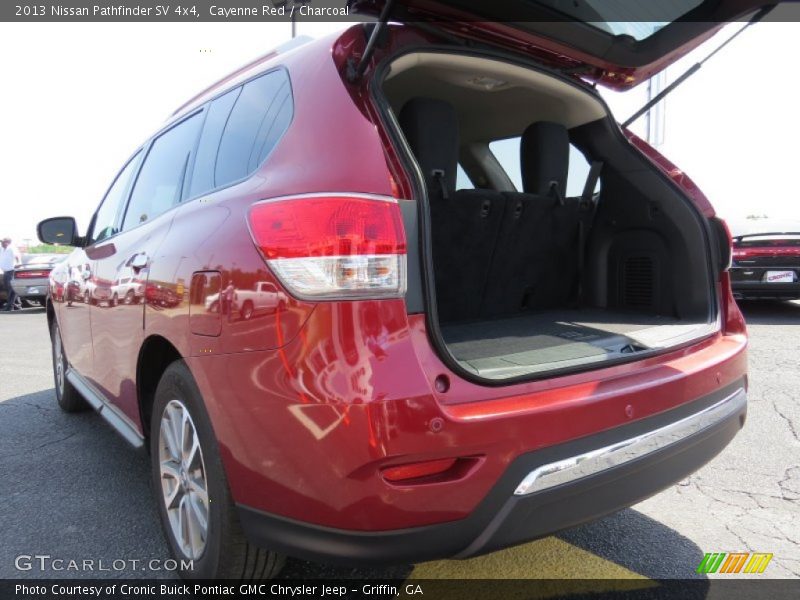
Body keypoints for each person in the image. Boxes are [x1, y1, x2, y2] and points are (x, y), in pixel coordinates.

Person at [1, 237, 22, 311]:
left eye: (3, 242)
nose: (2, 243)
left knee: (11, 289)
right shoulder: (2, 249)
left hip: (11, 271)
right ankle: (17, 305)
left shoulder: (11, 248)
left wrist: (19, 262)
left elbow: (17, 256)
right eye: (1, 242)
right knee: (8, 289)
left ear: (8, 242)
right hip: (5, 271)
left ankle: (10, 307)